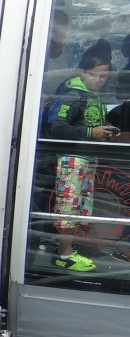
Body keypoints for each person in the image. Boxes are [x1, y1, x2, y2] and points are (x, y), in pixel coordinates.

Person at [42, 41, 119, 272]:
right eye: (94, 75)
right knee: (69, 207)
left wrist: (104, 129)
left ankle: (69, 249)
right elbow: (56, 127)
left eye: (103, 76)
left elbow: (91, 120)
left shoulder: (94, 95)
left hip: (87, 158)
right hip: (72, 159)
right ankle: (64, 255)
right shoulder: (73, 94)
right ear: (82, 72)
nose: (99, 80)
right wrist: (91, 132)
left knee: (79, 207)